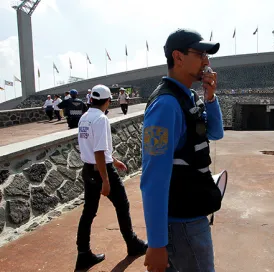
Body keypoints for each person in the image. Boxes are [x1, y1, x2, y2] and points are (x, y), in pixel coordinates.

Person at [141, 28, 223, 272]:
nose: (207, 61)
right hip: (182, 224)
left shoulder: (188, 96)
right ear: (178, 56)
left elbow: (215, 133)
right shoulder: (166, 105)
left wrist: (210, 97)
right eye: (200, 54)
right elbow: (153, 178)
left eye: (208, 56)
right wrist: (156, 244)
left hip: (192, 215)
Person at [75, 84, 147, 271]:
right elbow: (99, 151)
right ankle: (132, 244)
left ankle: (83, 254)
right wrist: (106, 180)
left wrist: (114, 161)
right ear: (108, 101)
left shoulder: (84, 118)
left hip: (88, 170)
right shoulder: (101, 119)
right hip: (101, 170)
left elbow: (95, 149)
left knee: (88, 213)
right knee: (122, 205)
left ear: (91, 99)